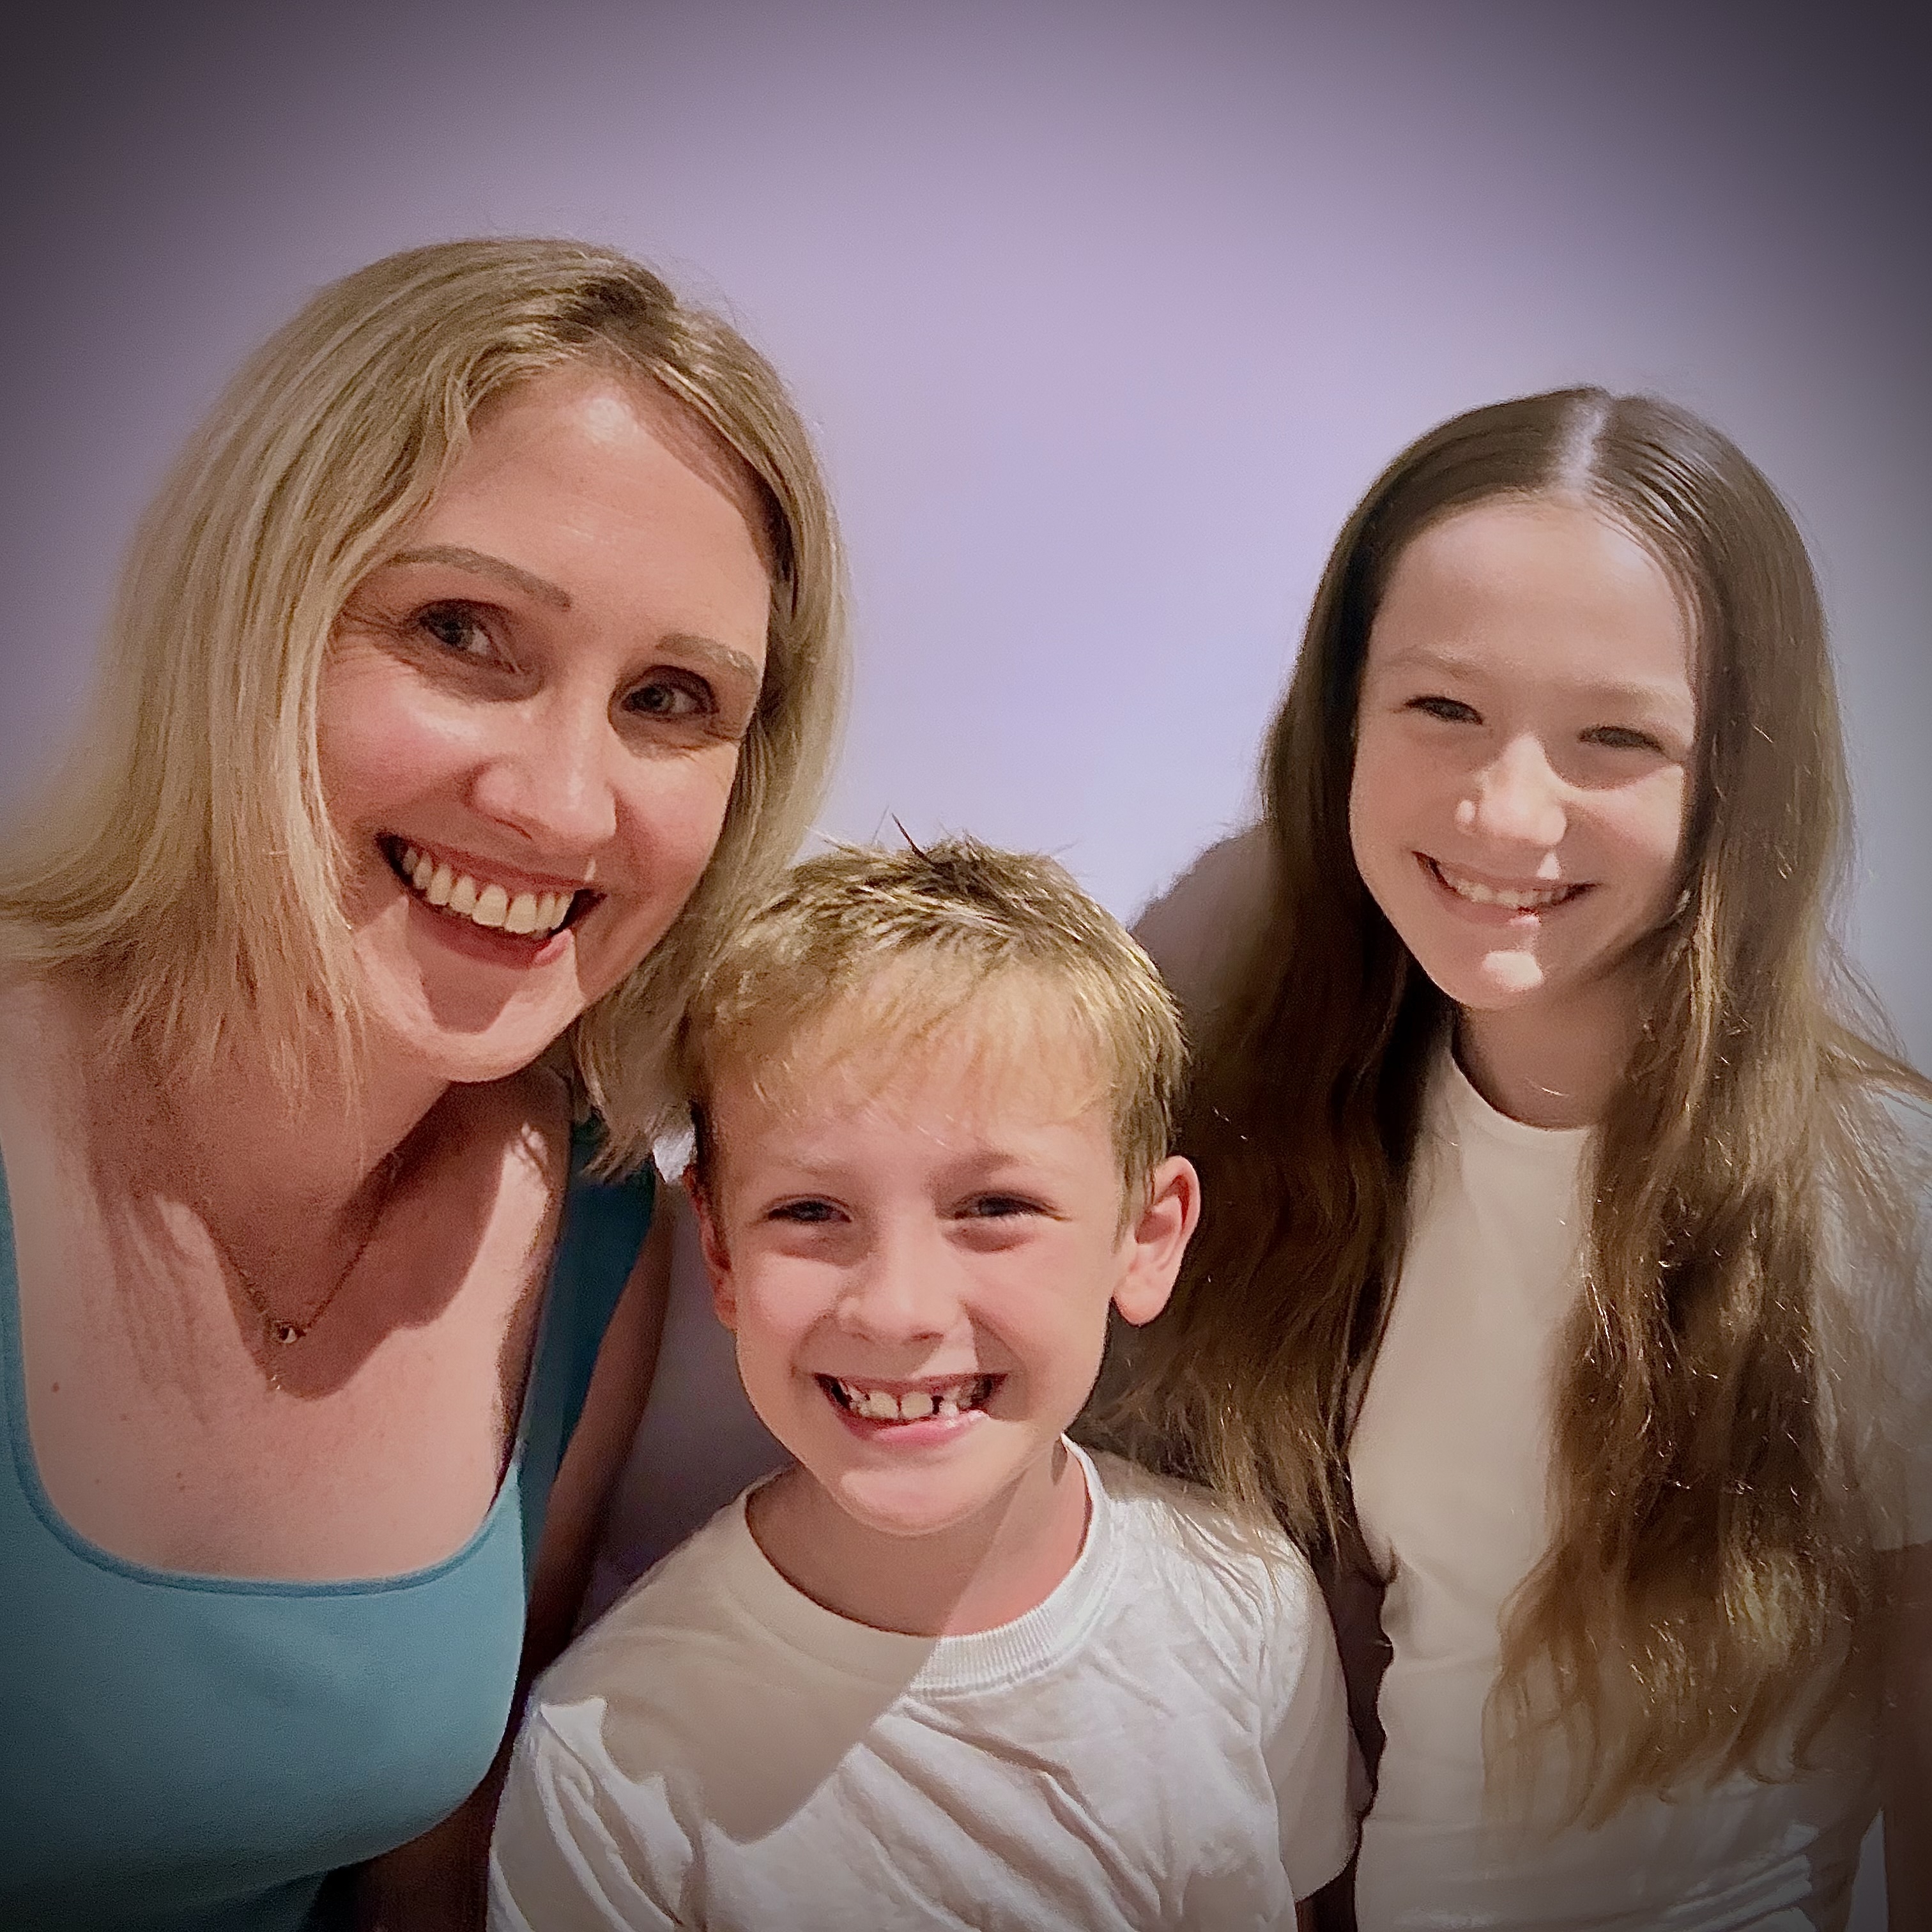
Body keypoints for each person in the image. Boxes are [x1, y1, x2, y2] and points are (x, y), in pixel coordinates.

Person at [0, 237, 845, 1929]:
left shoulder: (596, 1227)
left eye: (670, 699)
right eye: (463, 632)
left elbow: (422, 1882)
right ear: (249, 614)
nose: (560, 803)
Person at [1107, 388, 1931, 1931]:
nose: (1505, 809)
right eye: (1443, 709)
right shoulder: (1326, 1120)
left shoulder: (1882, 1203)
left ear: (1735, 780)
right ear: (1345, 721)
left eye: (1617, 737)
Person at [488, 839, 1358, 1931]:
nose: (897, 1309)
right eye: (811, 1212)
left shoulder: (1249, 1606)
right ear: (720, 1252)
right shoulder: (608, 1763)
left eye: (995, 1209)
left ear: (1145, 1238)